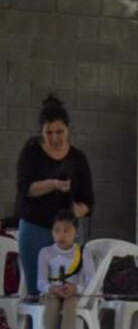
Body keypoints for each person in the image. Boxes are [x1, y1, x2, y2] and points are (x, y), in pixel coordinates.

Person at [16, 94, 95, 296]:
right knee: (38, 289)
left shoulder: (78, 158)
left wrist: (78, 210)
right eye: (48, 133)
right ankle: (36, 326)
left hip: (65, 231)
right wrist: (53, 184)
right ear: (42, 131)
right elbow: (26, 188)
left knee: (65, 286)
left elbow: (89, 200)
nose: (54, 138)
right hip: (35, 226)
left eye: (59, 132)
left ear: (68, 129)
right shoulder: (32, 151)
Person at [36, 209, 95, 329]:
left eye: (67, 230)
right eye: (57, 230)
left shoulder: (83, 253)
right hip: (51, 293)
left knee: (70, 302)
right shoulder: (45, 252)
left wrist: (76, 288)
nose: (61, 235)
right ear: (52, 232)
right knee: (52, 303)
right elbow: (40, 282)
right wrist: (51, 288)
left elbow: (91, 279)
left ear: (76, 232)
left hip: (72, 293)